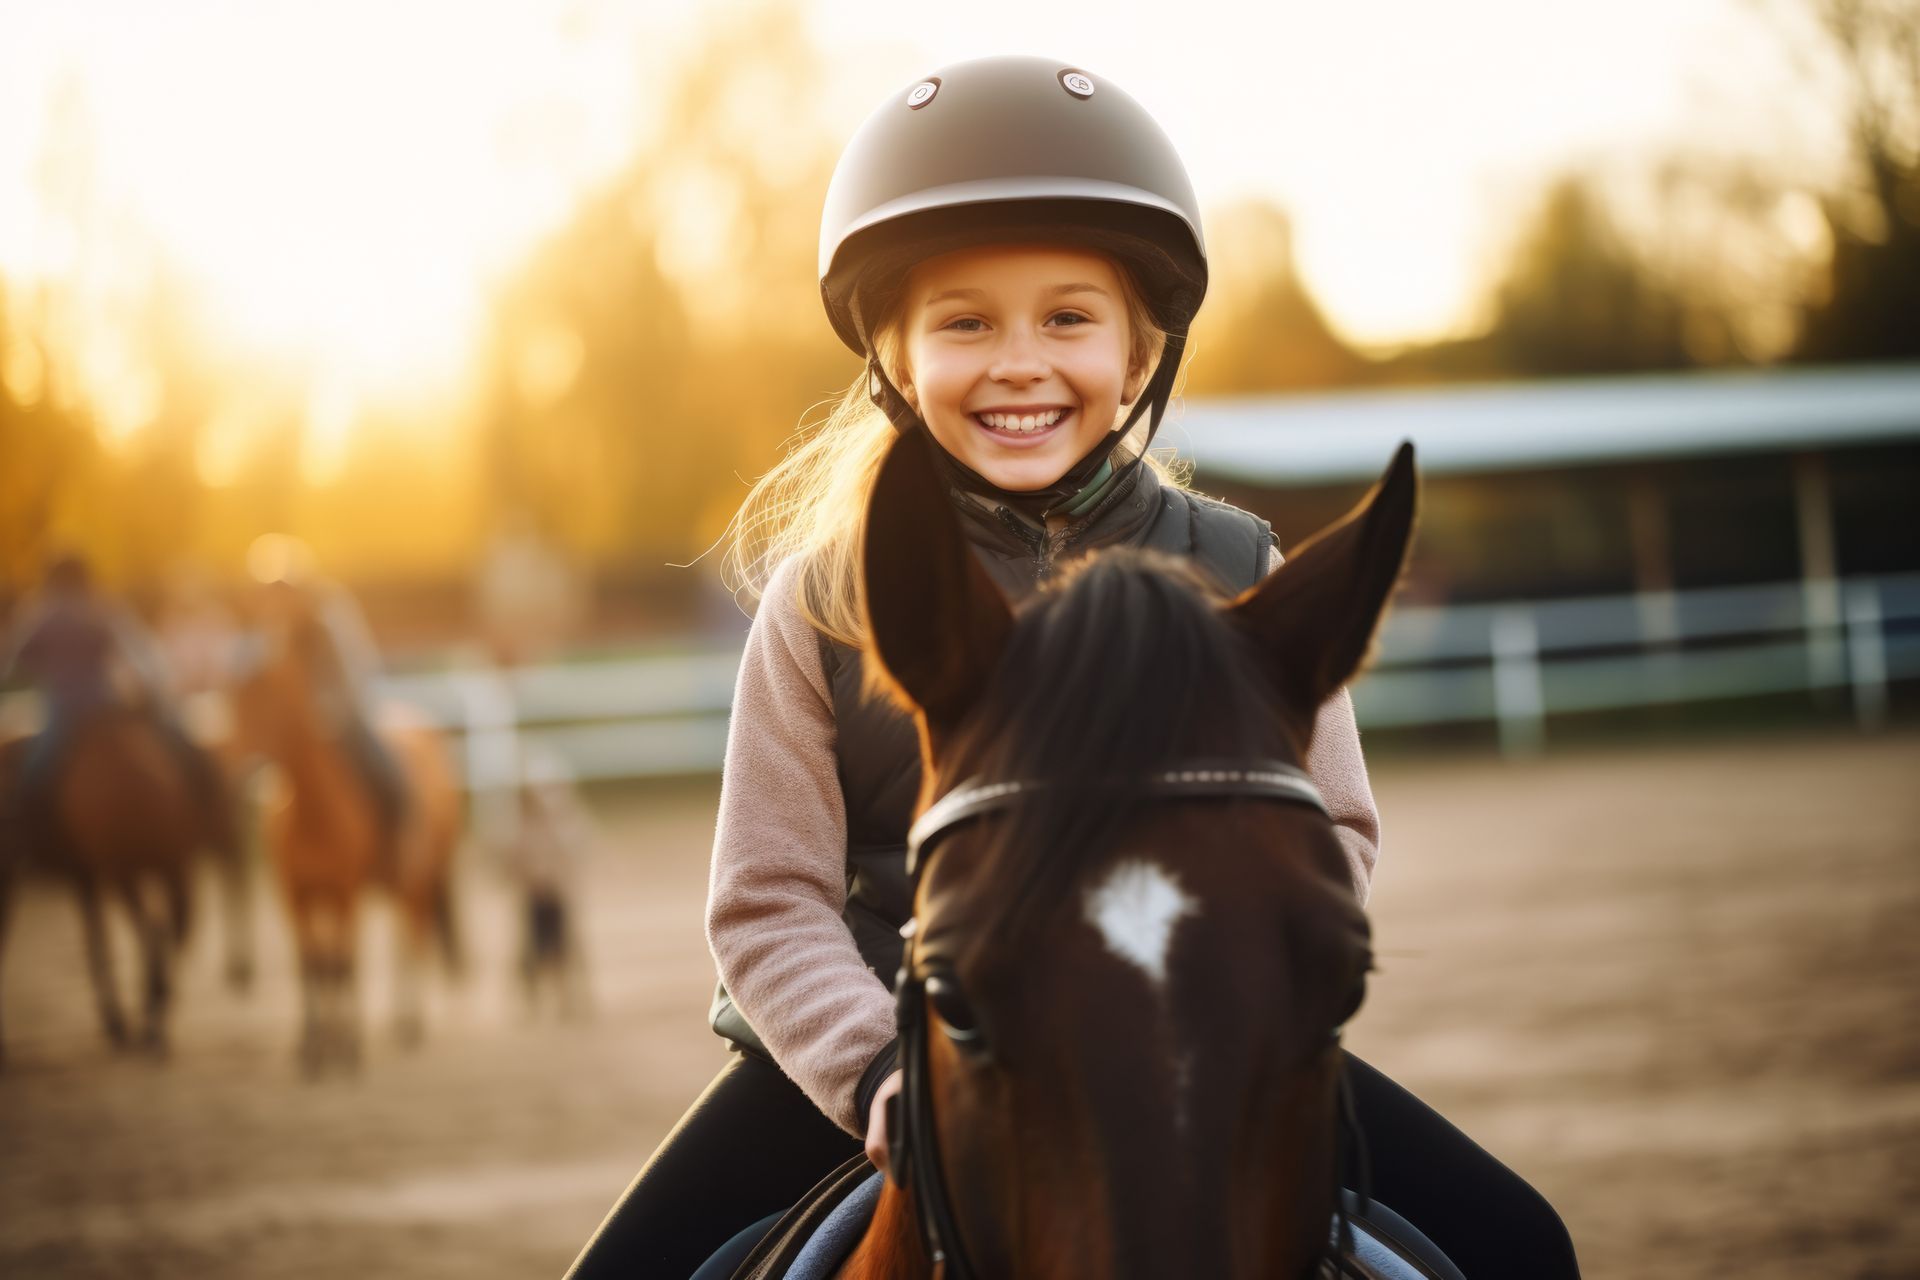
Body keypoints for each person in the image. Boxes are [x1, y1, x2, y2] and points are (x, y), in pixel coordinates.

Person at [567, 55, 1579, 1279]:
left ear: (1140, 354)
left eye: (1067, 317)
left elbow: (1337, 830)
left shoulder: (1241, 572)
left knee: (1523, 1247)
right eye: (965, 322)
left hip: (1194, 1038)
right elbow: (767, 897)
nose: (1018, 361)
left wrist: (1233, 1010)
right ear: (893, 353)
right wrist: (882, 1068)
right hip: (886, 1051)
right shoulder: (822, 602)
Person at [0, 552, 236, 863]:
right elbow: (140, 653)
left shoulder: (41, 613)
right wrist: (151, 690)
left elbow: (13, 662)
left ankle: (27, 842)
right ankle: (211, 808)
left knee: (33, 774)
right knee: (176, 742)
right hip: (109, 703)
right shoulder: (104, 609)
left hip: (63, 710)